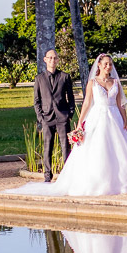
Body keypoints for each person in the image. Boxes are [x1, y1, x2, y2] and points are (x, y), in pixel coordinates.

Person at [11, 53, 127, 197]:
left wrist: (125, 121)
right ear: (99, 65)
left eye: (110, 64)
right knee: (98, 149)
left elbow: (120, 104)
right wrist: (80, 122)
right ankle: (96, 181)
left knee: (119, 150)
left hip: (114, 118)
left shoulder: (115, 82)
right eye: (105, 64)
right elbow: (86, 103)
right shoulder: (93, 83)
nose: (108, 66)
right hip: (98, 117)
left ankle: (120, 181)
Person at [34, 49, 76, 183]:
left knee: (65, 147)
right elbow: (36, 101)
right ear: (45, 60)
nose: (52, 60)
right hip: (47, 118)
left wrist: (69, 114)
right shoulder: (39, 79)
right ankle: (47, 175)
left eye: (55, 58)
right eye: (50, 58)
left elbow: (71, 97)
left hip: (62, 117)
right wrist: (40, 117)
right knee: (48, 147)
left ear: (58, 60)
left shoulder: (64, 76)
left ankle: (67, 174)